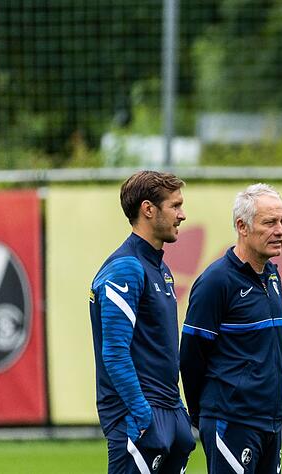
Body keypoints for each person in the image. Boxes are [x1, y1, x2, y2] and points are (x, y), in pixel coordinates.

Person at [89, 170, 196, 474]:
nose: (182, 215)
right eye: (175, 206)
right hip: (137, 417)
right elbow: (115, 352)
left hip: (167, 410)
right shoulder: (126, 268)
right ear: (149, 209)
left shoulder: (160, 269)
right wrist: (142, 415)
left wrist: (177, 410)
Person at [180, 183, 282, 474]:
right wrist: (203, 415)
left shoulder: (273, 276)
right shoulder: (216, 281)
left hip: (270, 420)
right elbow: (191, 355)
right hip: (231, 418)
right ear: (242, 226)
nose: (280, 230)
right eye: (269, 222)